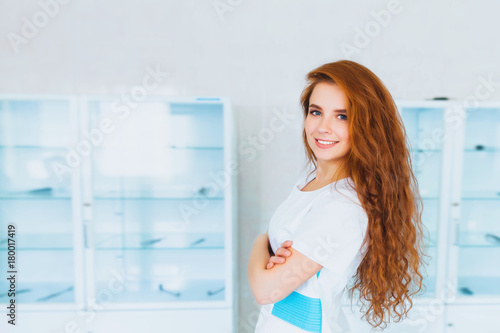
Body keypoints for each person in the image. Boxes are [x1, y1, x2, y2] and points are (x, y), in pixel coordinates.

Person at [247, 60, 426, 332]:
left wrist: (260, 244)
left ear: (367, 126)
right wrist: (269, 254)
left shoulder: (343, 206)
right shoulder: (311, 178)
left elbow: (266, 291)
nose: (323, 127)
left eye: (342, 116)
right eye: (316, 112)